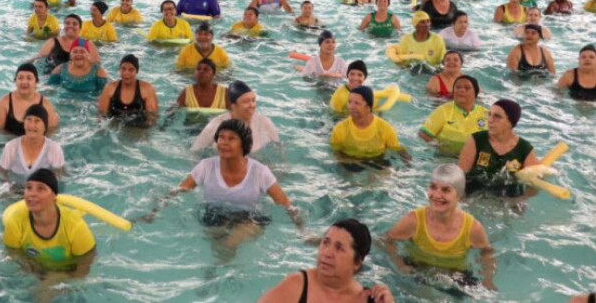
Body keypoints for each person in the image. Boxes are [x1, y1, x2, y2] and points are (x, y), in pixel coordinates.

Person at [178, 119, 298, 248]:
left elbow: (287, 206)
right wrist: (157, 208)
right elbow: (179, 191)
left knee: (231, 242)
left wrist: (303, 233)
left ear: (243, 143)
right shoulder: (206, 166)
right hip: (215, 216)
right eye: (221, 137)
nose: (224, 143)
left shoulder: (260, 172)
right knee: (217, 247)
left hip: (249, 219)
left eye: (231, 139)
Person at [385, 164, 495, 288]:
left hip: (456, 277)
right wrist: (401, 265)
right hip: (418, 271)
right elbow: (387, 240)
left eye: (445, 190)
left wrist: (487, 279)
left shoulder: (472, 228)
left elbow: (487, 252)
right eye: (433, 187)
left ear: (458, 195)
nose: (437, 195)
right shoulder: (414, 220)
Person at [258, 219, 396, 303]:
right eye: (326, 243)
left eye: (339, 248)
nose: (327, 253)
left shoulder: (372, 300)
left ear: (357, 262)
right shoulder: (297, 286)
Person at [3, 168, 94, 274]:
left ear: (54, 196)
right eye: (28, 188)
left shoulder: (74, 225)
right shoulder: (15, 221)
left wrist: (58, 278)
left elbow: (85, 265)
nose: (32, 194)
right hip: (34, 271)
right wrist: (33, 269)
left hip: (68, 272)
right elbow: (14, 254)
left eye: (40, 189)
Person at [459, 99, 539, 198]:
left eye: (497, 116)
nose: (490, 120)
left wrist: (517, 201)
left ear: (510, 122)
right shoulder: (477, 140)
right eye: (489, 114)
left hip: (508, 198)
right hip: (474, 194)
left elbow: (533, 188)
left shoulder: (524, 149)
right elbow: (460, 175)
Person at [192, 81, 278, 154]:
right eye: (246, 101)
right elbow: (194, 152)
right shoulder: (215, 125)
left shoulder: (264, 122)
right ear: (233, 106)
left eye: (253, 100)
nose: (252, 105)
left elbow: (279, 149)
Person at [330, 86, 407, 161]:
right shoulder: (339, 129)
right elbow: (336, 153)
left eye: (357, 103)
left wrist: (409, 166)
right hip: (349, 159)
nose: (351, 107)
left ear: (369, 106)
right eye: (349, 102)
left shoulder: (385, 128)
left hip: (377, 159)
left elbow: (398, 150)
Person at [419, 75, 486, 153]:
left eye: (467, 88)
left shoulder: (485, 113)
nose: (461, 90)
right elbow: (423, 133)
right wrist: (438, 146)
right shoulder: (443, 111)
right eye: (457, 87)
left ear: (476, 93)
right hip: (447, 156)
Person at [0, 108, 65, 184]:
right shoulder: (11, 147)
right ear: (24, 124)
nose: (32, 125)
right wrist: (7, 187)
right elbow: (1, 172)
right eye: (29, 119)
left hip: (41, 189)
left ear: (45, 126)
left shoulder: (54, 148)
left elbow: (59, 176)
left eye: (37, 121)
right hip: (15, 188)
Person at [0, 63, 60, 136]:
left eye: (29, 78)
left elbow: (51, 132)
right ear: (15, 81)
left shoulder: (45, 105)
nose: (24, 82)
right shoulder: (5, 102)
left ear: (36, 82)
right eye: (20, 78)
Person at [98, 54, 158, 126]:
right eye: (123, 69)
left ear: (136, 71)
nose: (126, 73)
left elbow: (152, 118)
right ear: (119, 70)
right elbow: (101, 114)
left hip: (138, 126)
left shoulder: (147, 89)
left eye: (131, 70)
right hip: (115, 123)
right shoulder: (110, 88)